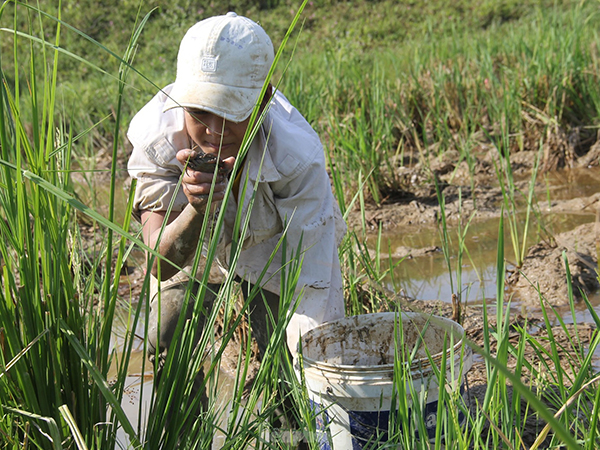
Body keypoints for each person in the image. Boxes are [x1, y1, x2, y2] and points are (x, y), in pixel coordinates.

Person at [126, 11, 347, 417]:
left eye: (229, 112)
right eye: (198, 113)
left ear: (262, 102)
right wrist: (196, 208)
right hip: (193, 244)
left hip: (271, 246)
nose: (212, 130)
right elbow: (159, 262)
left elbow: (313, 284)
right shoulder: (157, 139)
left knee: (290, 362)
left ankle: (295, 433)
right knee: (164, 333)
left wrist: (321, 375)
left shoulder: (296, 157)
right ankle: (184, 431)